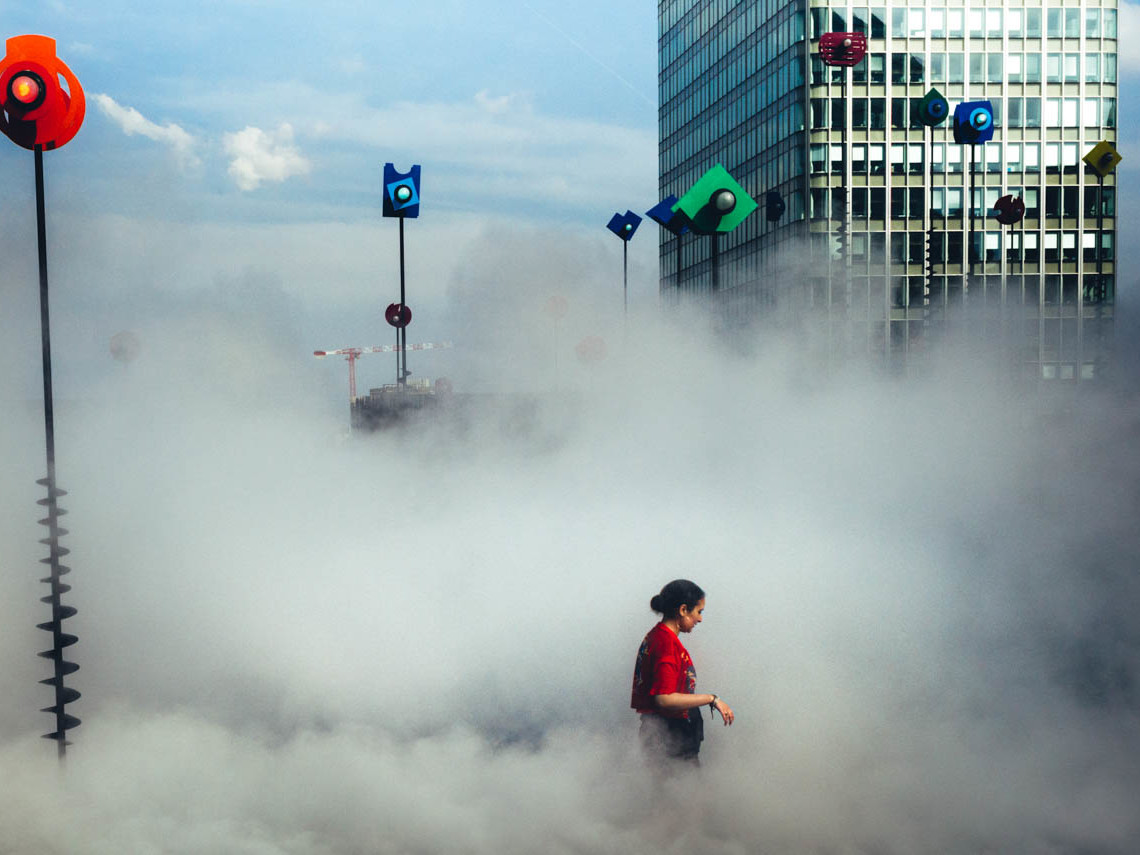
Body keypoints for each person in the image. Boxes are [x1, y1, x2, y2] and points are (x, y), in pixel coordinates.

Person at [631, 579, 734, 766]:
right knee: (682, 793)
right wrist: (712, 699)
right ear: (683, 610)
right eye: (698, 612)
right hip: (671, 742)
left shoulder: (657, 636)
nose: (700, 619)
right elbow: (664, 698)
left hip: (663, 740)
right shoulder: (666, 645)